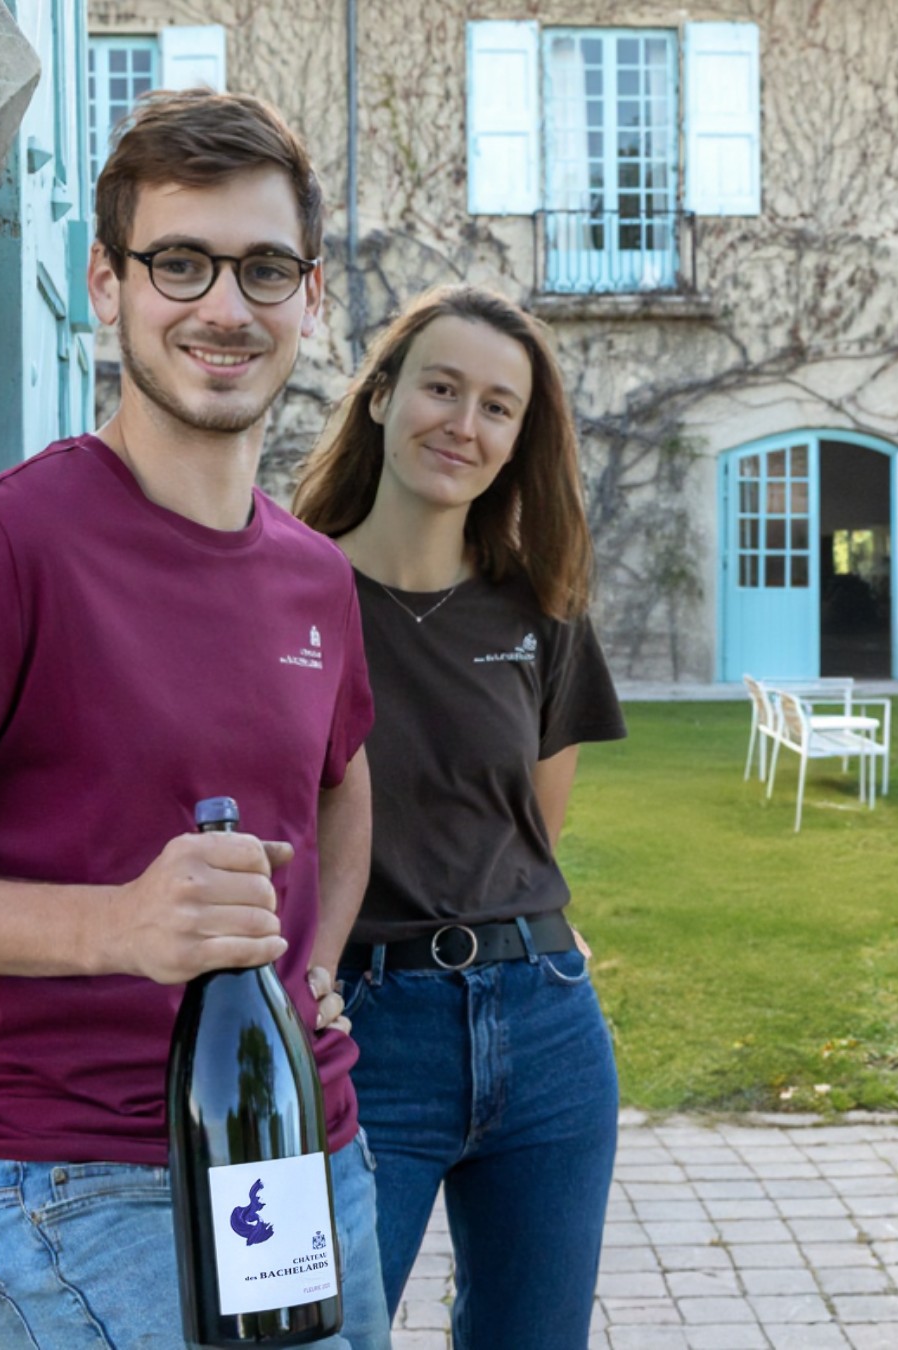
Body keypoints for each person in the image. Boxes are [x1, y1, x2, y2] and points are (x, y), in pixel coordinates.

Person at [0, 89, 392, 1349]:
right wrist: (118, 925)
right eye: (180, 263)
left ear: (311, 298)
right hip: (92, 1186)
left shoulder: (313, 574)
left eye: (265, 269)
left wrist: (315, 964)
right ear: (108, 284)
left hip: (311, 1151)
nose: (226, 307)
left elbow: (340, 781)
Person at [292, 285, 627, 1347]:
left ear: (519, 439)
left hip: (546, 1031)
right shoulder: (281, 588)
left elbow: (532, 835)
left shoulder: (541, 612)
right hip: (359, 1030)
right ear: (381, 396)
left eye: (497, 407)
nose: (464, 424)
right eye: (441, 388)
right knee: (322, 1334)